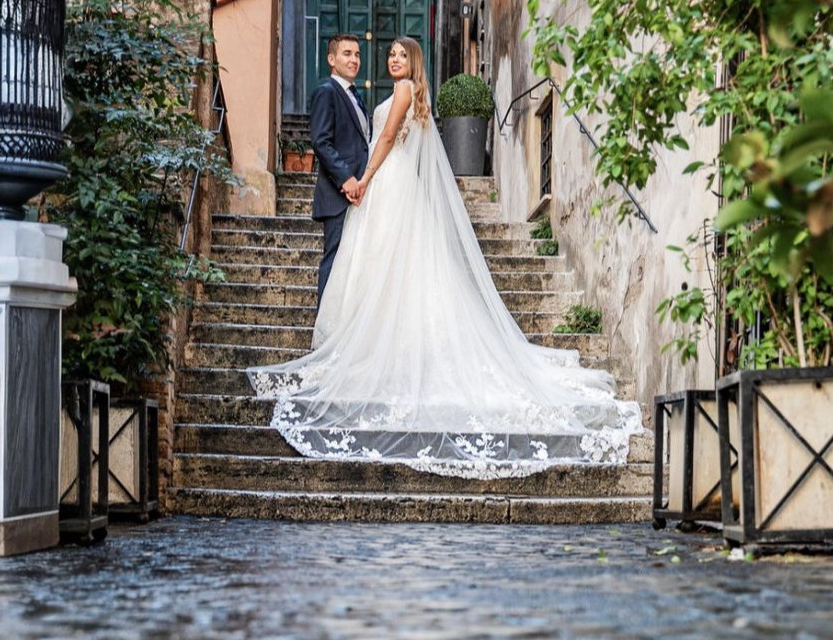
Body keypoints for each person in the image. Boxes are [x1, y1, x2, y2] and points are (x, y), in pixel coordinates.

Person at [253, 35, 642, 473]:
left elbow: (383, 140)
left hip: (385, 181)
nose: (391, 60)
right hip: (387, 185)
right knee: (386, 266)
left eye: (401, 55)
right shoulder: (395, 93)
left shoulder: (402, 92)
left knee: (385, 263)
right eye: (390, 55)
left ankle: (372, 345)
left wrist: (365, 177)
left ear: (414, 62)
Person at [307, 32, 371, 311]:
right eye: (347, 54)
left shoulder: (355, 96)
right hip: (337, 194)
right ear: (331, 59)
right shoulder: (327, 92)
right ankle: (325, 330)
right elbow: (321, 141)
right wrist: (346, 178)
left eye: (357, 54)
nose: (354, 59)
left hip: (359, 193)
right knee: (333, 260)